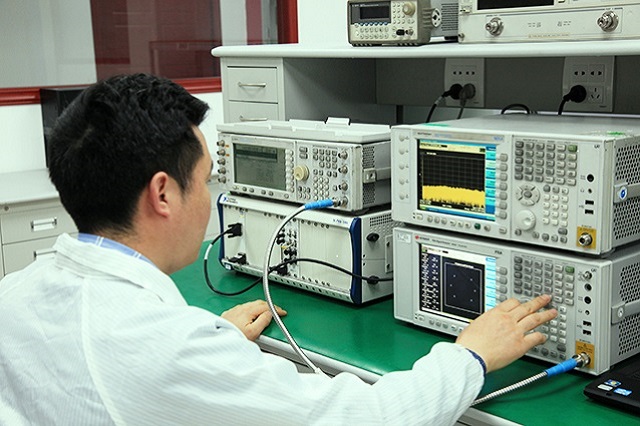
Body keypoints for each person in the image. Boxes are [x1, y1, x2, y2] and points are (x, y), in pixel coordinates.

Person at [0, 74, 557, 425]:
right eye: (208, 179)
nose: (213, 196)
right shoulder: (166, 350)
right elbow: (370, 417)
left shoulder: (15, 293)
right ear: (163, 194)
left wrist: (213, 343)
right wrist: (471, 354)